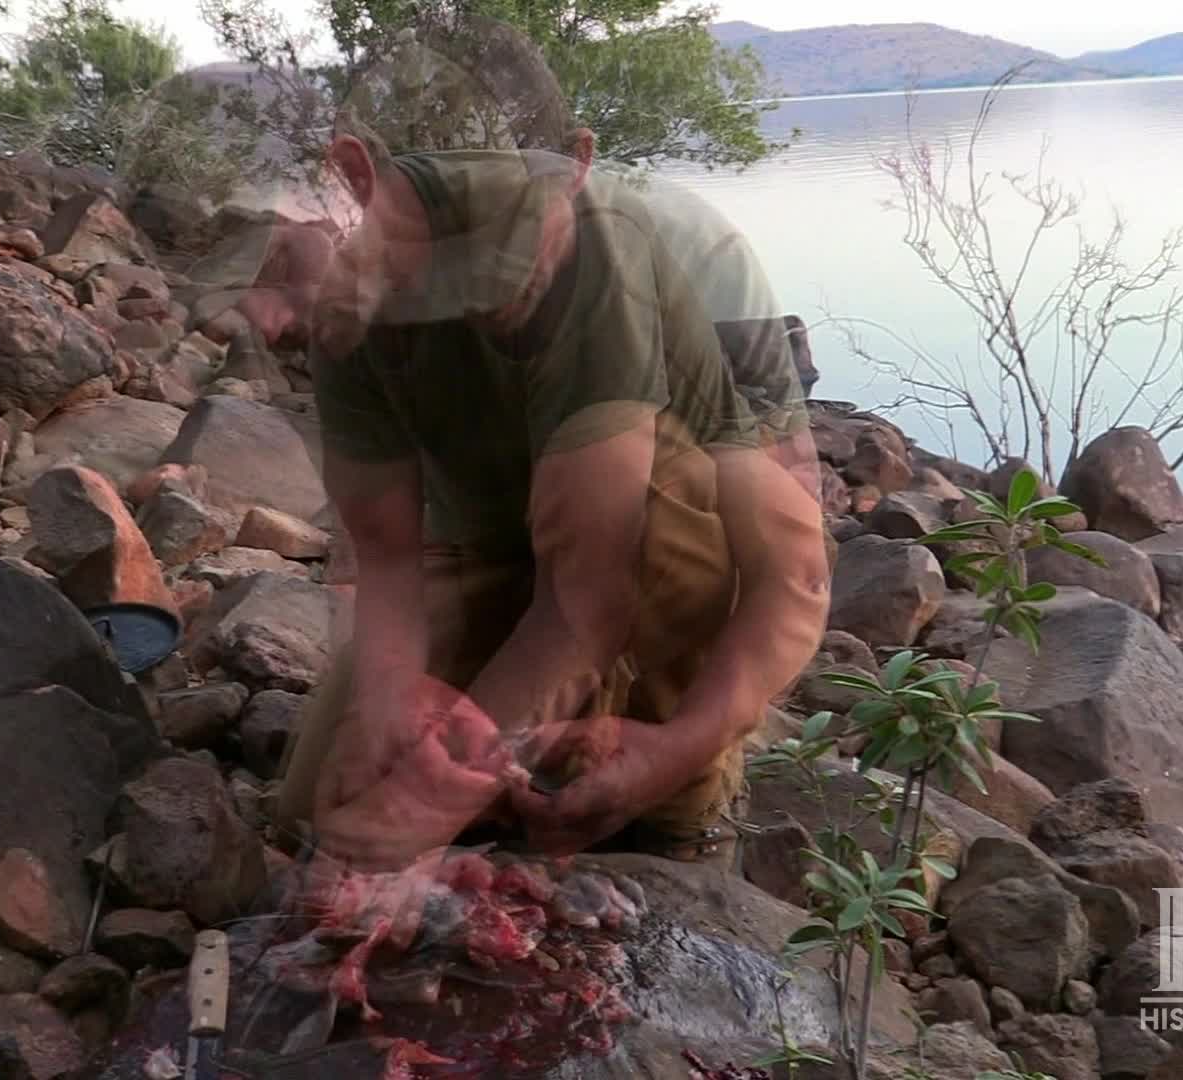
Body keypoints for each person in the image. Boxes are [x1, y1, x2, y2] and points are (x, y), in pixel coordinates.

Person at [220, 20, 828, 872]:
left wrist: (678, 747)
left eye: (509, 230)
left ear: (575, 165)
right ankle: (514, 745)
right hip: (500, 540)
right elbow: (388, 557)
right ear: (359, 176)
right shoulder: (353, 301)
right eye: (453, 243)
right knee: (319, 809)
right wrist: (391, 706)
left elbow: (793, 572)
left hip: (661, 548)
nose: (491, 289)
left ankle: (682, 781)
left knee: (654, 533)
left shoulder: (667, 254)